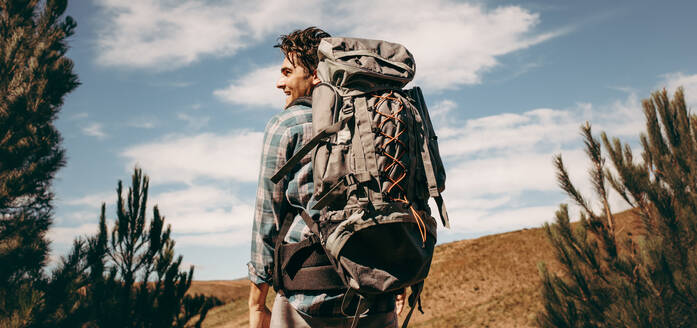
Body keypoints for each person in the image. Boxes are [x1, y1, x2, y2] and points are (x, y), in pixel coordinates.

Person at [247, 27, 398, 328]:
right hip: (376, 296)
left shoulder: (287, 125)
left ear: (315, 74)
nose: (280, 83)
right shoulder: (375, 119)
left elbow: (268, 219)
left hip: (308, 301)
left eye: (287, 72)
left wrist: (256, 302)